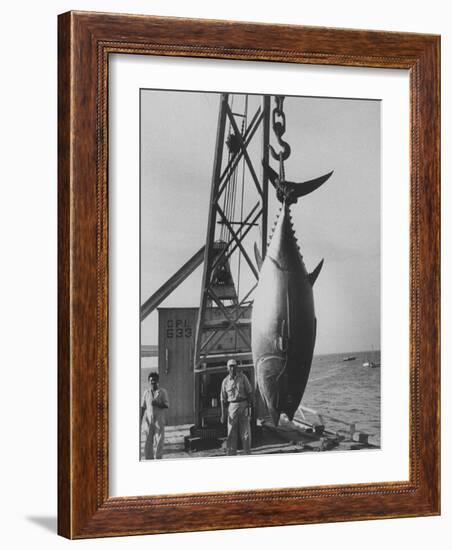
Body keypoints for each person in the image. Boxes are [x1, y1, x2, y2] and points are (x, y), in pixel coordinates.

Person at [220, 359, 253, 456]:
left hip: (243, 405)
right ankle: (231, 455)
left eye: (234, 366)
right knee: (231, 433)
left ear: (237, 367)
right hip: (232, 406)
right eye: (230, 366)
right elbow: (222, 399)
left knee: (246, 433)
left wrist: (250, 407)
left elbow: (250, 392)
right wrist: (223, 414)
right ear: (227, 368)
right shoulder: (225, 381)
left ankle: (247, 454)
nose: (232, 368)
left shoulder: (243, 378)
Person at [140, 372, 169, 459]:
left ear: (158, 381)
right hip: (148, 421)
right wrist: (140, 420)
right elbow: (143, 407)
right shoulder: (146, 393)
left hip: (159, 421)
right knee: (148, 443)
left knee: (159, 441)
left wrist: (158, 403)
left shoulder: (163, 392)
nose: (153, 382)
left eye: (155, 380)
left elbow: (166, 405)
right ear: (149, 381)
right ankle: (149, 460)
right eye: (151, 380)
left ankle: (158, 459)